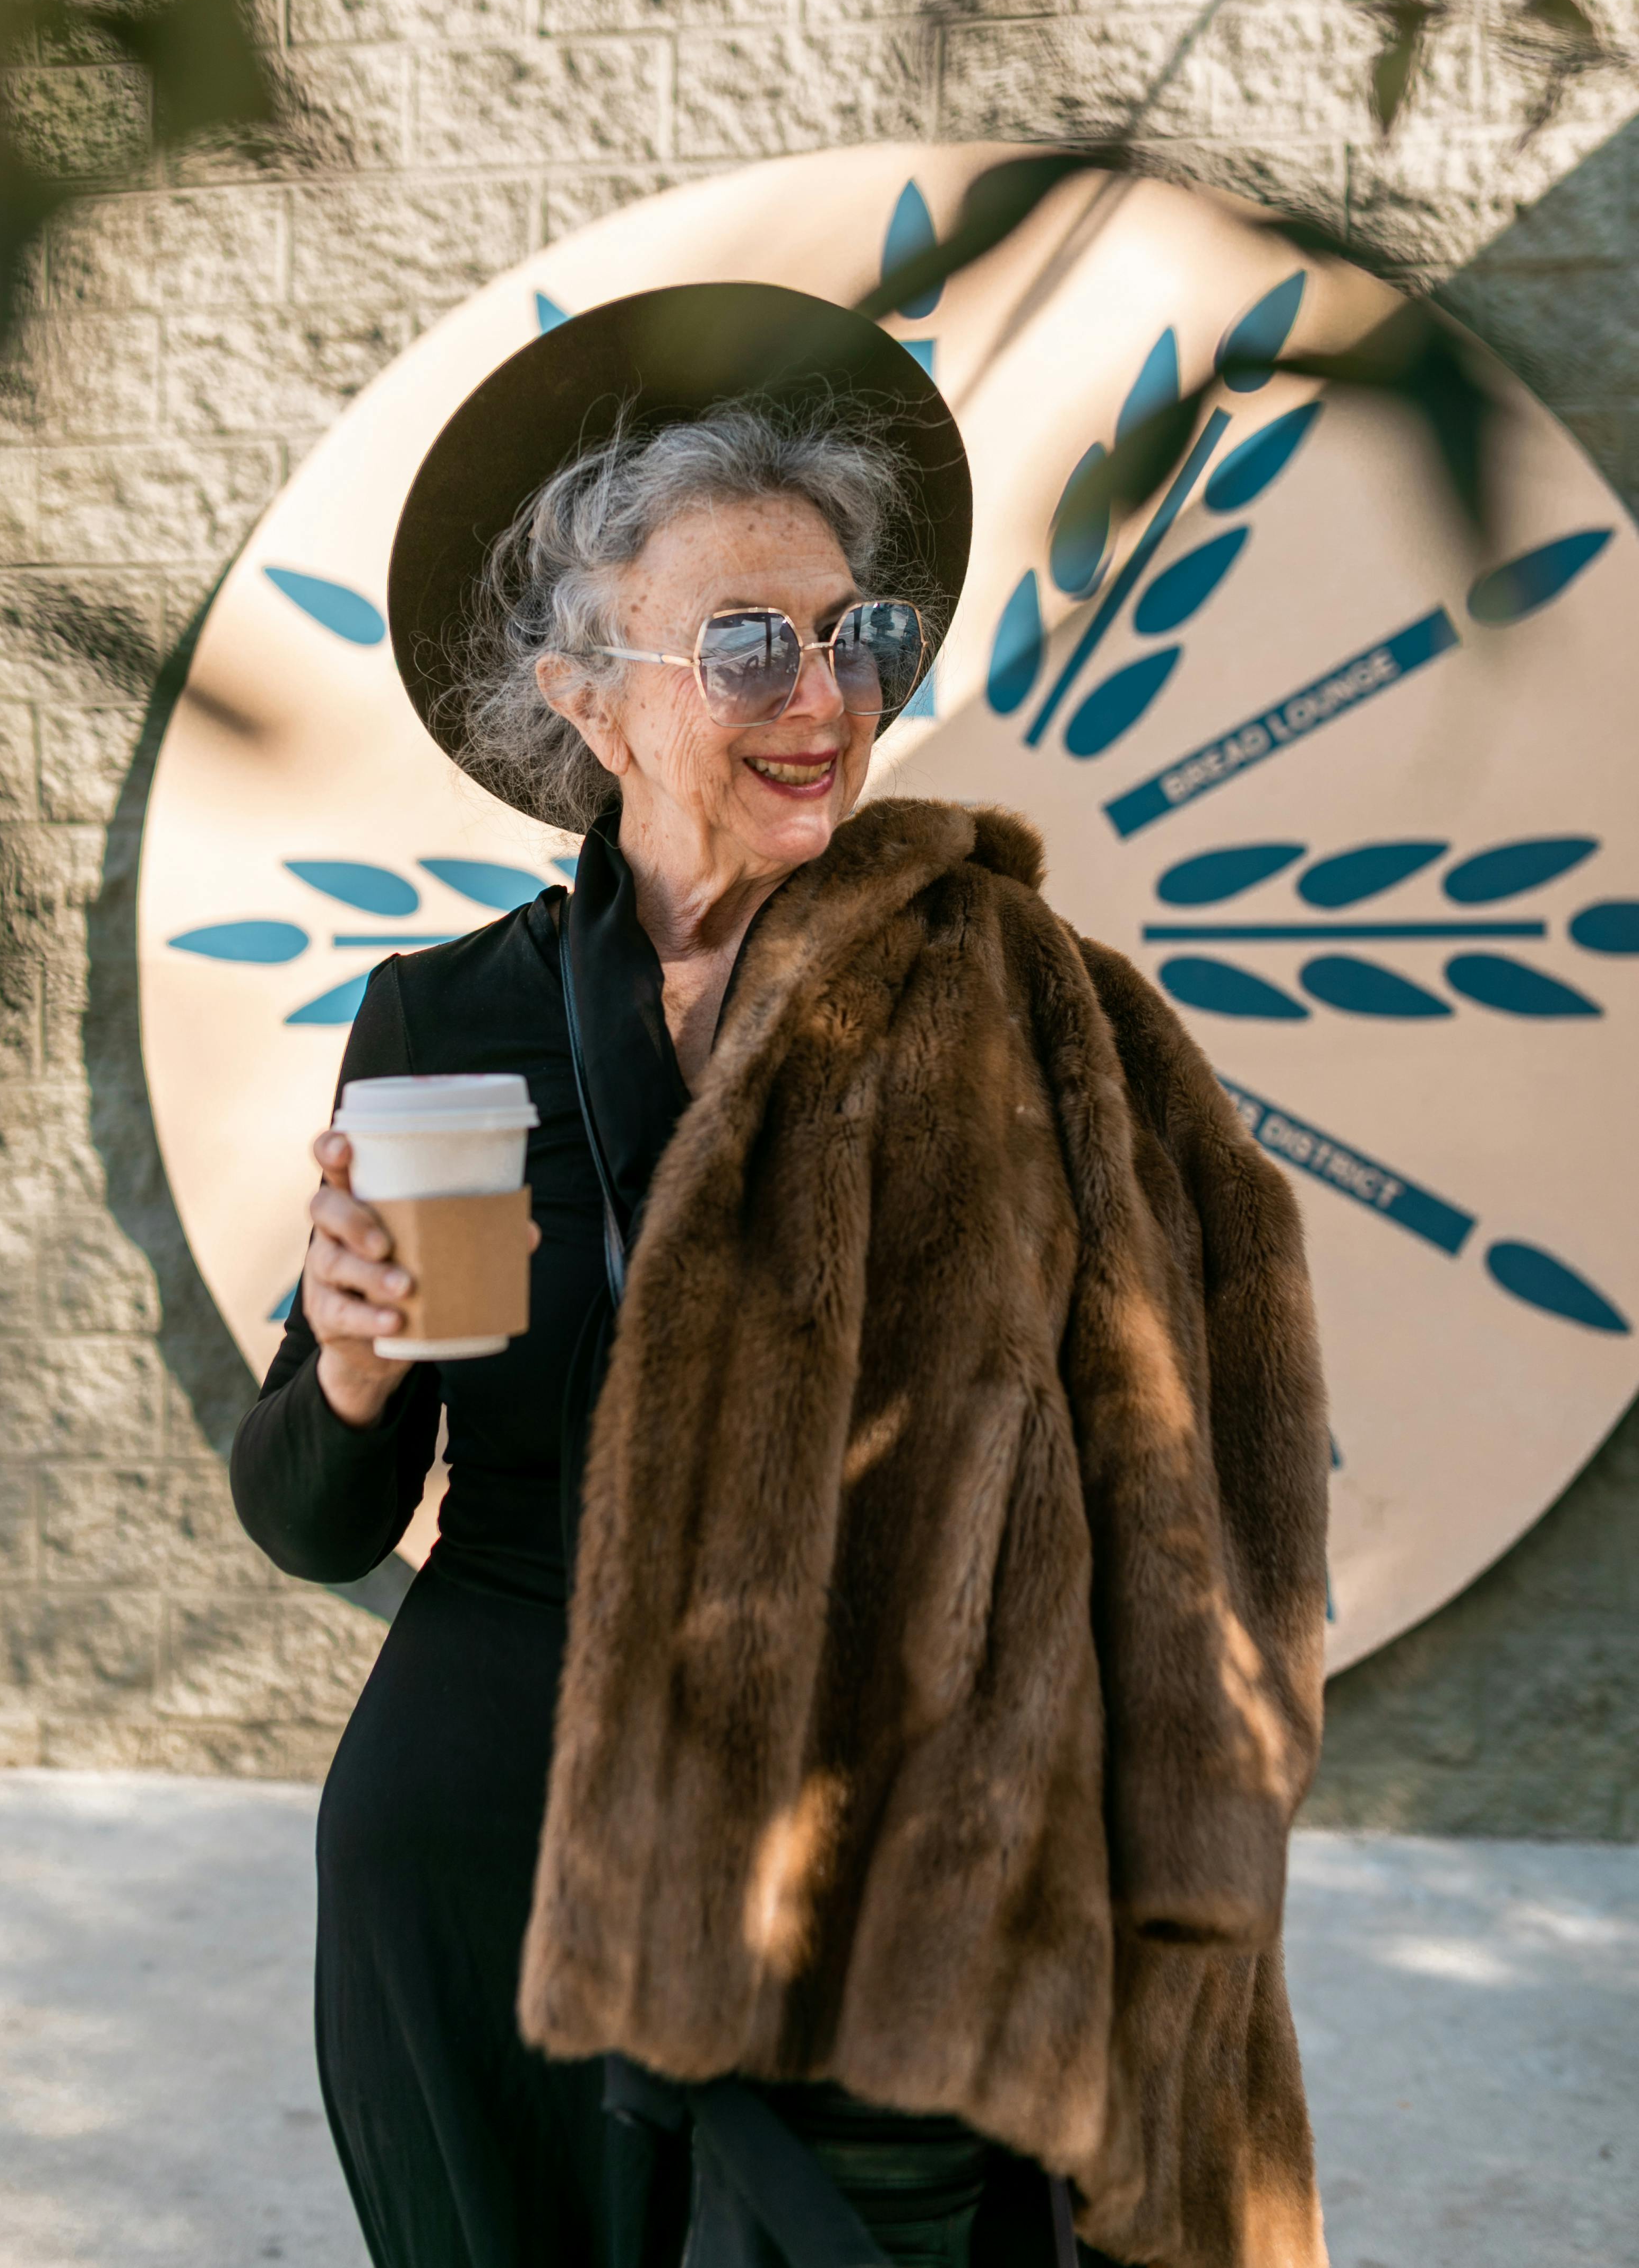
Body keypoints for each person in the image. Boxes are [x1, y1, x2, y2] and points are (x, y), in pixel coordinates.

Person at [231, 285, 1331, 2268]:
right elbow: (316, 1523)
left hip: (854, 1917)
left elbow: (1186, 1516)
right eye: (748, 643)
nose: (819, 694)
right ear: (589, 695)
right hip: (474, 1865)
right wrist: (350, 1368)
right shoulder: (441, 1021)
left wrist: (1137, 1925)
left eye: (857, 634)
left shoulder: (1016, 1014)